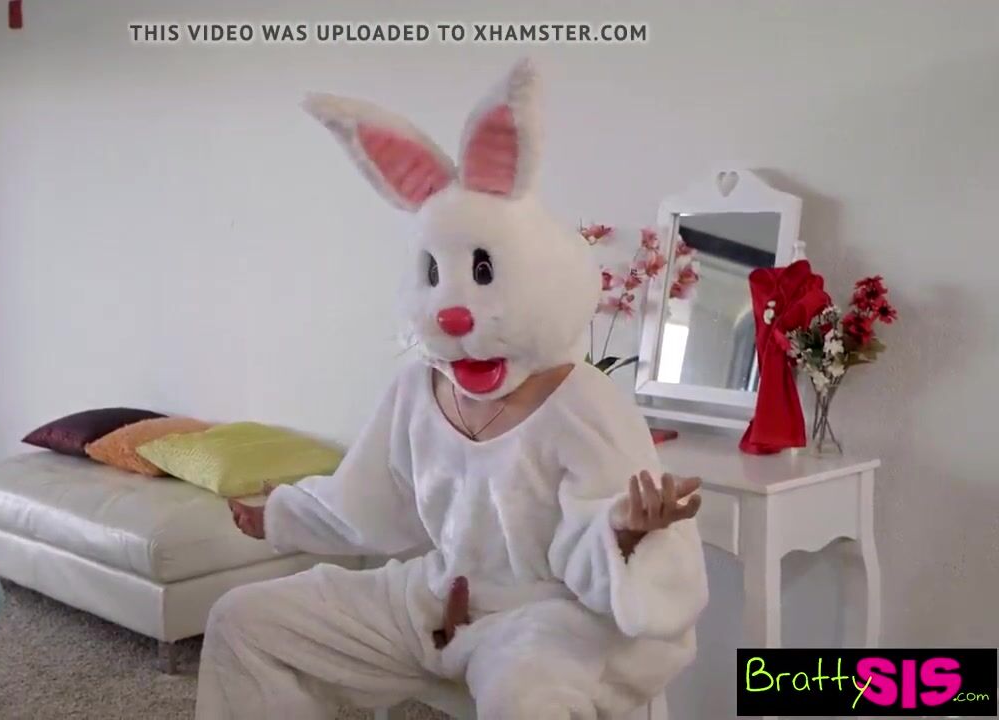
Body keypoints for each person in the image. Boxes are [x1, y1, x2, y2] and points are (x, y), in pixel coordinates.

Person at [194, 59, 708, 720]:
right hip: (432, 595)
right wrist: (281, 514)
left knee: (527, 698)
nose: (454, 310)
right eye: (436, 274)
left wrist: (626, 532)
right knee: (246, 619)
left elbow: (598, 548)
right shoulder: (418, 386)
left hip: (545, 619)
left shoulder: (583, 401)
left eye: (483, 270)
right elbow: (368, 499)